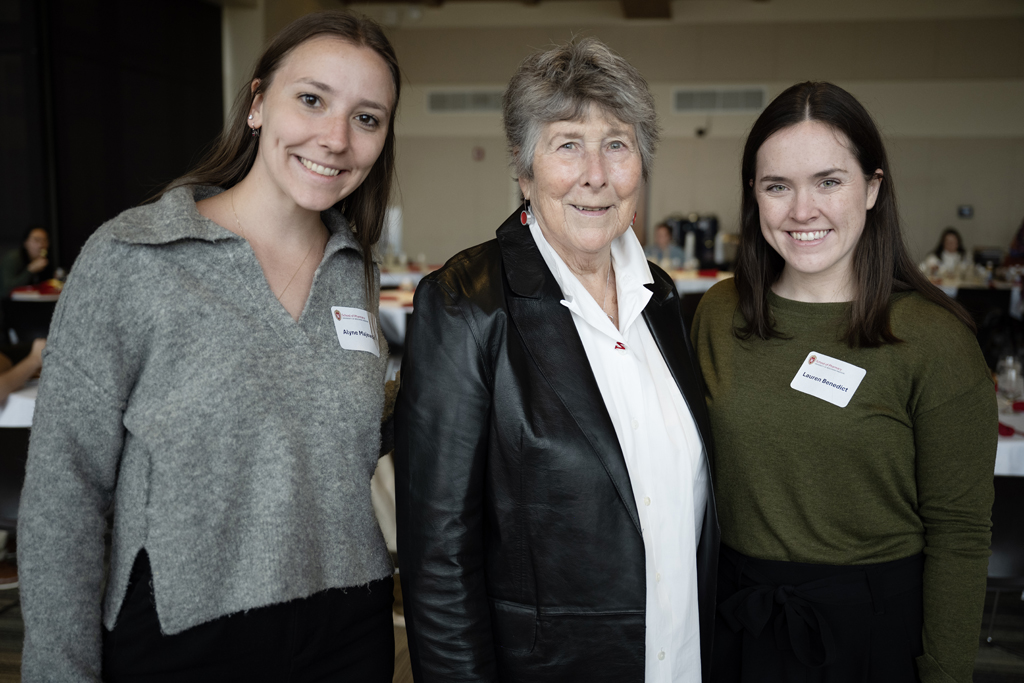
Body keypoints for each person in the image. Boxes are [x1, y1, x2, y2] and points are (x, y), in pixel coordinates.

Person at [18, 10, 401, 681]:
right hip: (182, 631)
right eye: (311, 100)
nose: (335, 138)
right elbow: (63, 497)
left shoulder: (355, 272)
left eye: (367, 118)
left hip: (348, 631)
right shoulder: (135, 256)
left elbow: (331, 440)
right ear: (257, 105)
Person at [395, 38, 719, 683]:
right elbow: (438, 559)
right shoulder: (466, 304)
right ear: (523, 168)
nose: (595, 173)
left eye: (618, 144)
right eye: (567, 143)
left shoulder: (661, 297)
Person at [690, 82, 995, 682]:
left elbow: (959, 536)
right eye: (777, 186)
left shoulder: (934, 341)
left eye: (829, 181)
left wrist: (946, 674)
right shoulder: (719, 313)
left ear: (873, 188)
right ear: (754, 196)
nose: (803, 211)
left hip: (872, 636)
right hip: (735, 623)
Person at [0, 226, 52, 297]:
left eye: (45, 240)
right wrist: (30, 270)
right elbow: (6, 289)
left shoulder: (46, 260)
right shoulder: (13, 258)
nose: (41, 245)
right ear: (25, 242)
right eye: (36, 240)